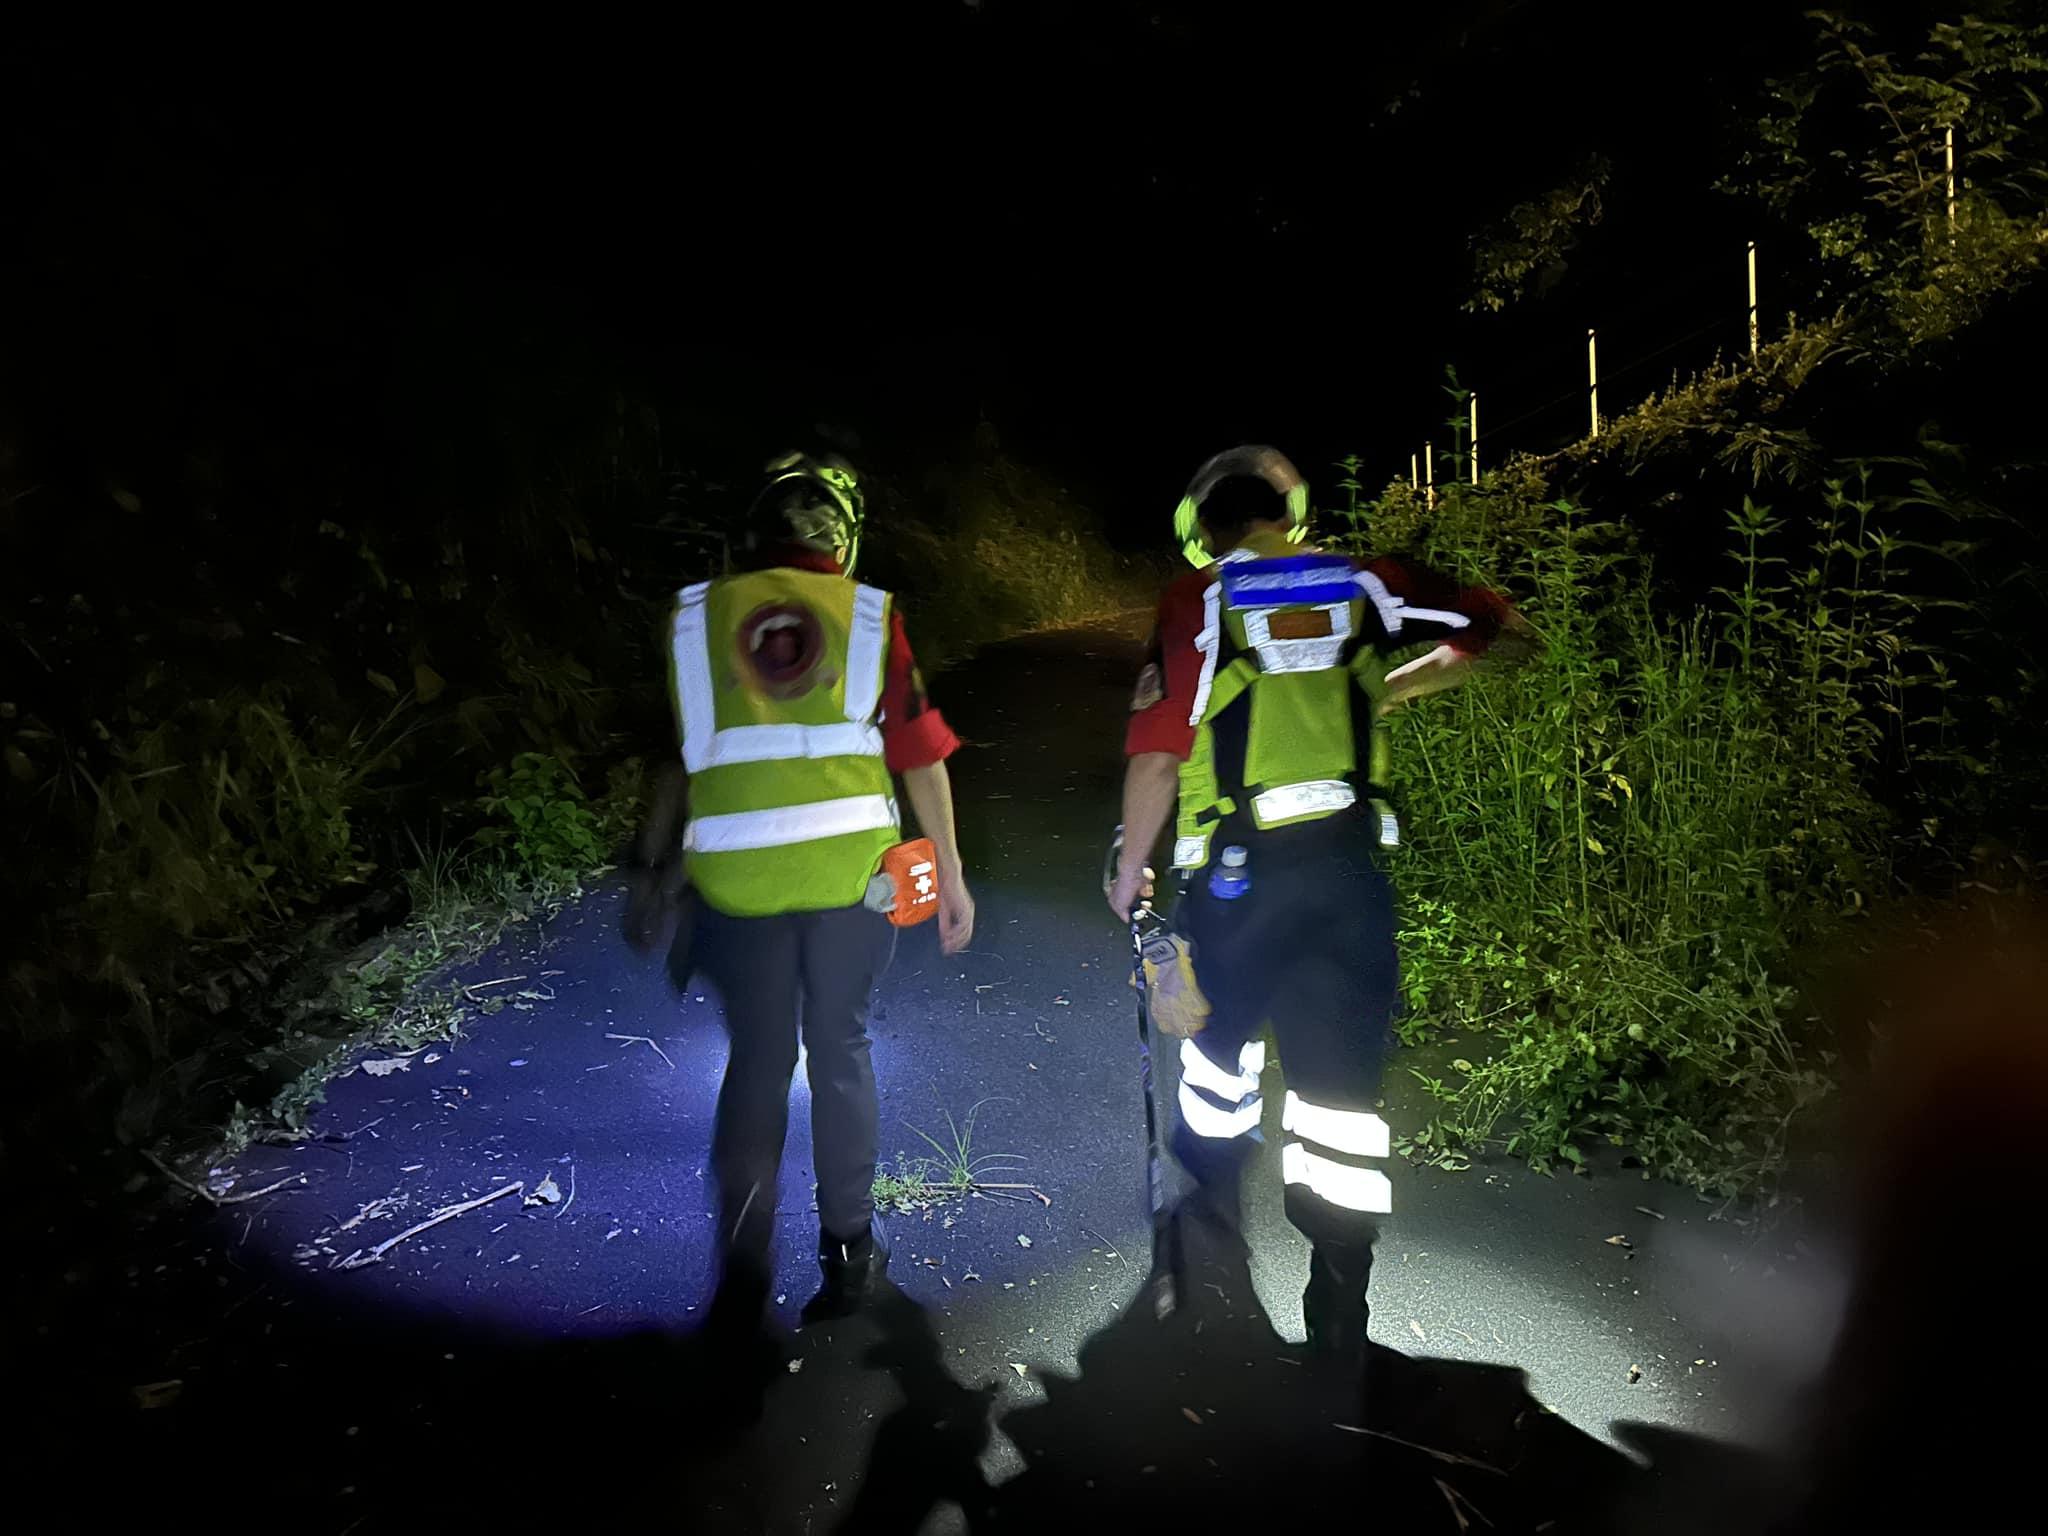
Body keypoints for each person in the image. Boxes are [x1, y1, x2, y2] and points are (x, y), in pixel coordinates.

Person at [1107, 444, 1531, 1372]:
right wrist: (1392, 686)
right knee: (1339, 1104)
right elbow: (1497, 625)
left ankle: (1210, 1253)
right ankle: (1339, 1309)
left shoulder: (1199, 600)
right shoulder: (1368, 584)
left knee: (1216, 1071)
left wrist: (1130, 867)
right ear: (1287, 515)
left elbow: (1158, 754)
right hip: (1347, 886)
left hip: (1235, 891)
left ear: (1206, 529)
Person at [627, 448, 975, 1347]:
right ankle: (850, 1254)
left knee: (758, 1061)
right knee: (841, 1050)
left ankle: (743, 1274)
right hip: (851, 887)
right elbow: (920, 752)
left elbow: (673, 756)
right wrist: (950, 874)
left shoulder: (695, 617)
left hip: (735, 889)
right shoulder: (869, 614)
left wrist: (650, 871)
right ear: (844, 538)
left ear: (750, 534)